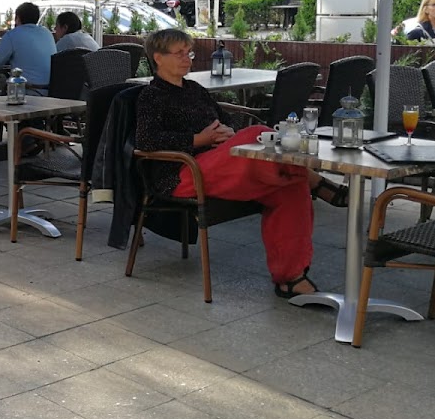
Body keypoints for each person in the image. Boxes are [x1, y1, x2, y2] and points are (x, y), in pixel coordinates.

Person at [134, 28, 348, 299]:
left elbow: (226, 119)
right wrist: (199, 139)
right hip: (183, 172)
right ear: (158, 57)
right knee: (255, 134)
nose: (187, 58)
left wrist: (228, 130)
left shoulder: (195, 90)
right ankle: (316, 181)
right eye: (179, 53)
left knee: (291, 189)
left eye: (188, 52)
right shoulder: (151, 96)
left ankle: (290, 278)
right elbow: (146, 140)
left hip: (222, 164)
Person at [0, 2, 56, 94]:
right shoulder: (47, 33)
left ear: (17, 18)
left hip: (27, 91)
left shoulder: (12, 35)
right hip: (50, 91)